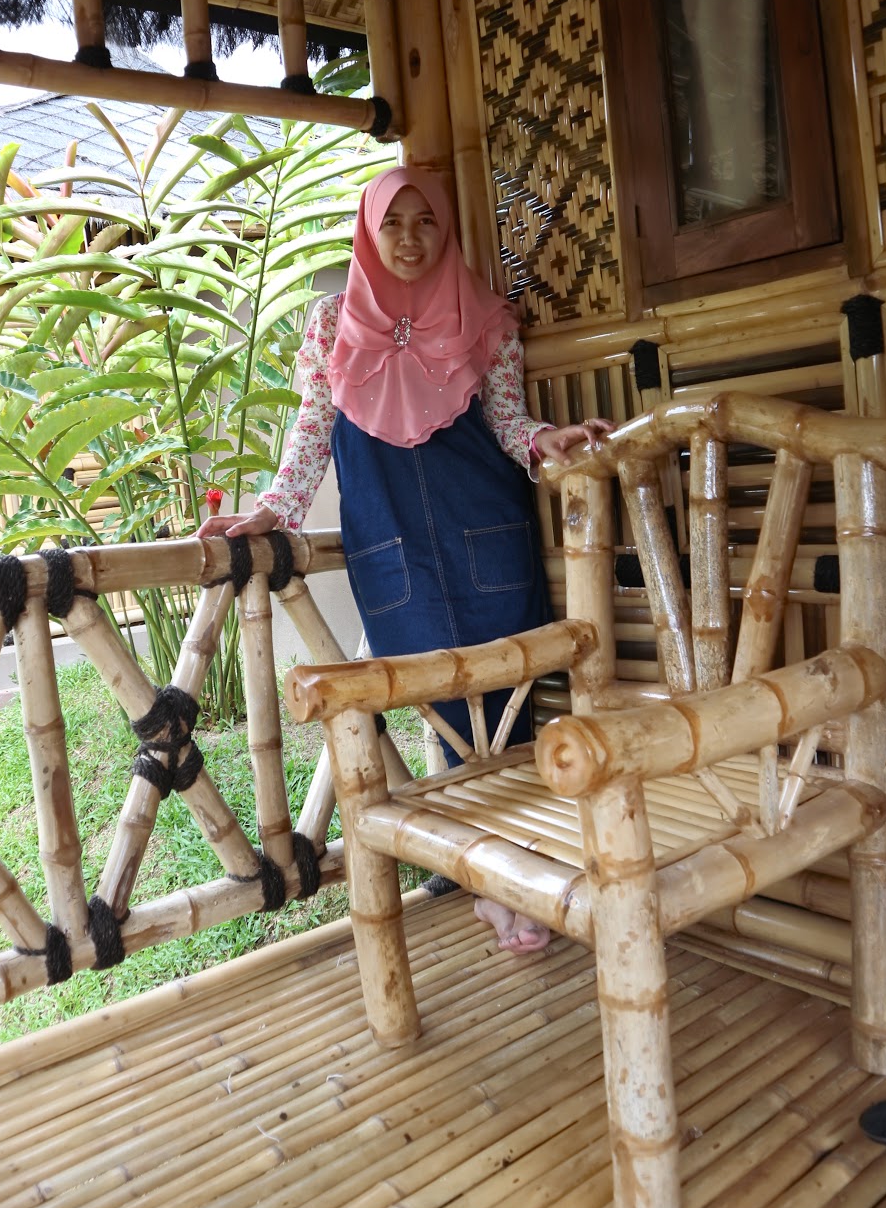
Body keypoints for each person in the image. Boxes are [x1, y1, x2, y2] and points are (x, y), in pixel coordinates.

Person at [198, 165, 612, 952]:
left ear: (444, 229)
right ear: (368, 231)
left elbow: (506, 421)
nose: (410, 238)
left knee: (511, 704)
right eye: (392, 223)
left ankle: (516, 875)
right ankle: (487, 878)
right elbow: (312, 431)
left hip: (484, 527)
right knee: (439, 707)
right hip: (390, 545)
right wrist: (273, 511)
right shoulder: (330, 324)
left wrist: (545, 440)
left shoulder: (486, 317)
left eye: (425, 222)